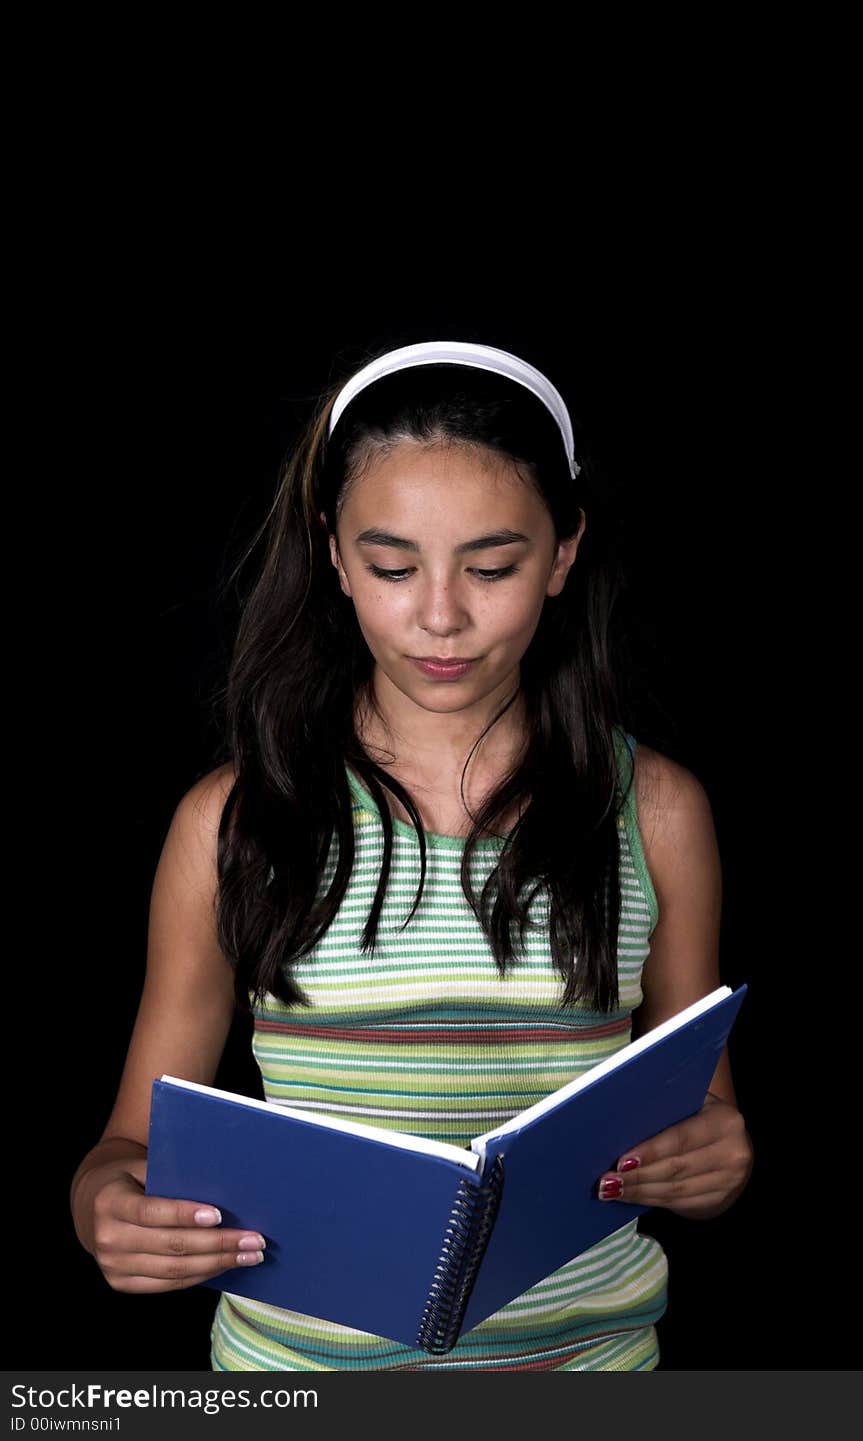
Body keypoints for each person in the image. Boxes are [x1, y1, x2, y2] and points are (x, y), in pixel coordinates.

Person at [70, 338, 754, 1371]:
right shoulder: (233, 822)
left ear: (563, 552)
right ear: (334, 555)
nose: (441, 615)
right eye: (393, 566)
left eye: (491, 566)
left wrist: (715, 1157)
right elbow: (125, 1150)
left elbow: (707, 1118)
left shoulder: (653, 809)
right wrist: (107, 1209)